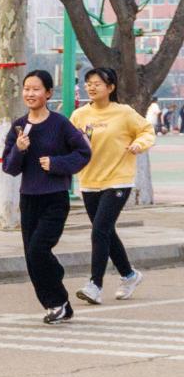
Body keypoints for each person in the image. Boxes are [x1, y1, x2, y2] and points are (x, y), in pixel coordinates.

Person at [2, 70, 91, 324]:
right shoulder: (19, 126)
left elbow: (83, 153)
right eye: (27, 89)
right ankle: (56, 305)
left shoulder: (60, 124)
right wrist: (19, 149)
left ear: (48, 93)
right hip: (29, 198)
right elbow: (9, 167)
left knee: (38, 250)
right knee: (32, 257)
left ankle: (58, 298)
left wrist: (56, 164)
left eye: (36, 89)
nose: (30, 93)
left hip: (54, 198)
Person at [69, 68, 155, 305]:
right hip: (89, 181)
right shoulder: (79, 115)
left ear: (110, 87)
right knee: (106, 231)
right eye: (89, 83)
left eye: (97, 83)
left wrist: (139, 144)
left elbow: (147, 131)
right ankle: (129, 275)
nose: (92, 87)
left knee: (99, 230)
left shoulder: (124, 112)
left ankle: (94, 285)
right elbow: (68, 141)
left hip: (118, 179)